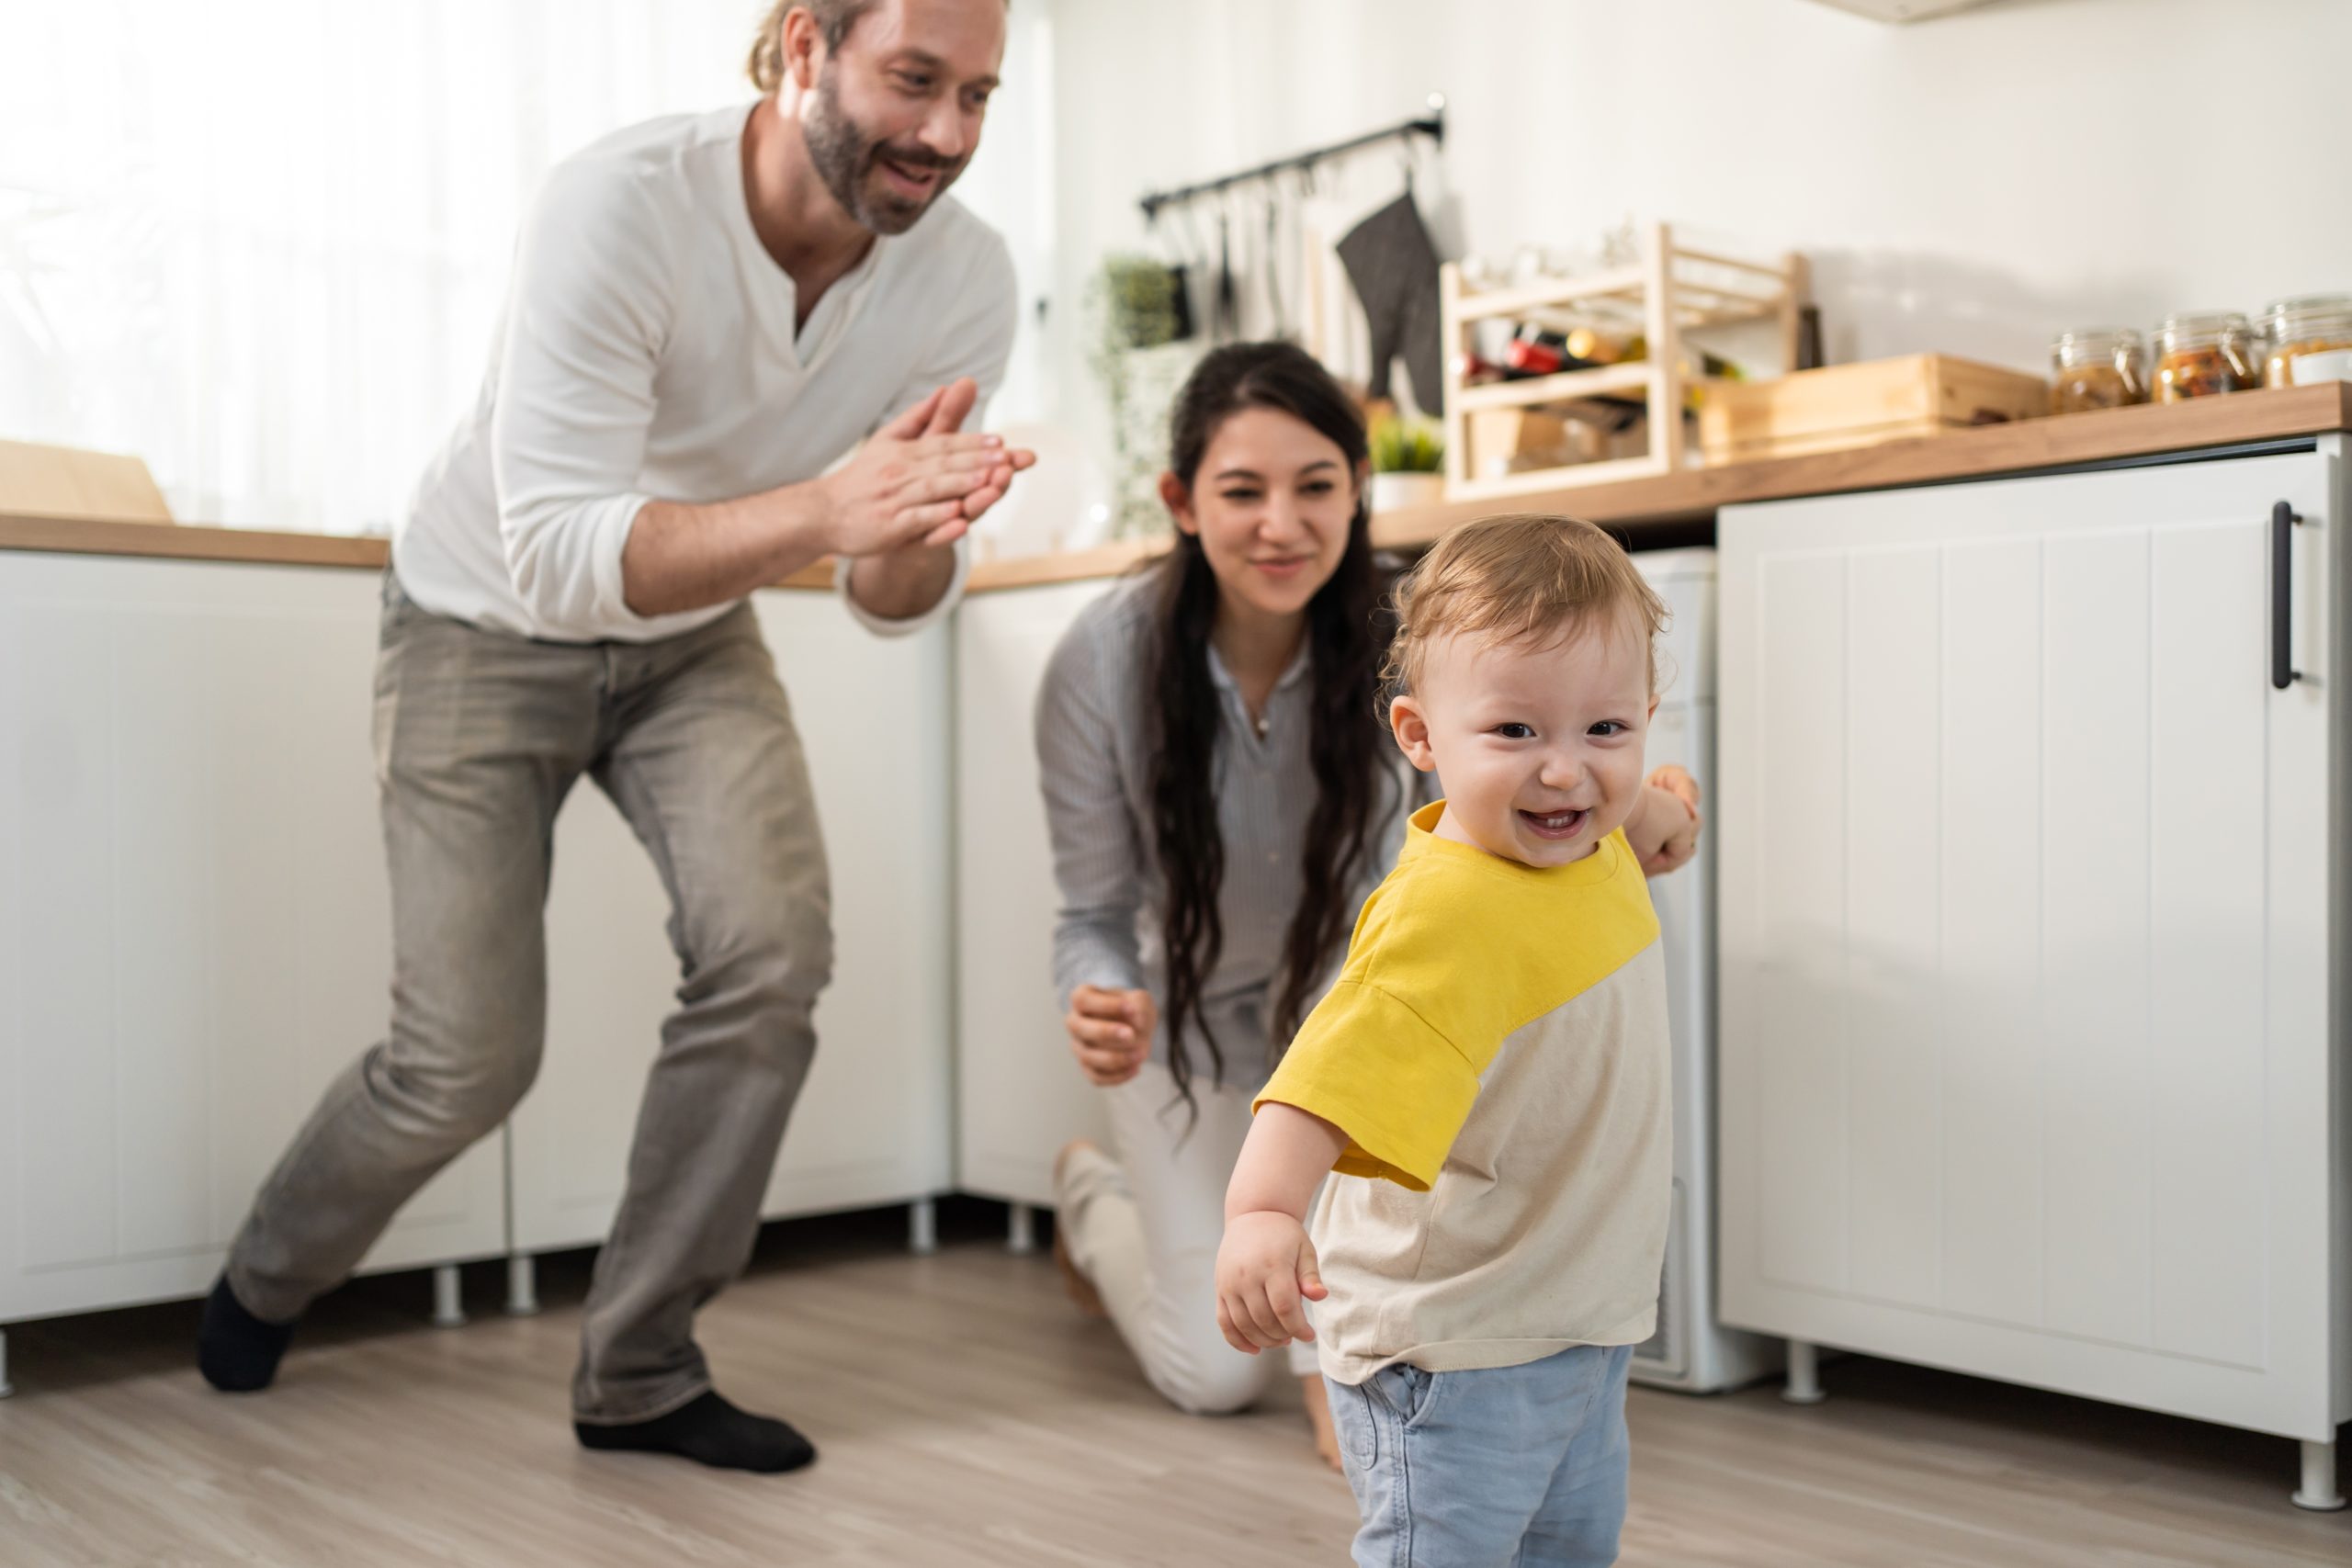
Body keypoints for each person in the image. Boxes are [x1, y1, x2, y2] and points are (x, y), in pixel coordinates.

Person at [195, 0, 1031, 1478]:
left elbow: (890, 595)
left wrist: (913, 528)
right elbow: (567, 557)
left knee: (772, 951)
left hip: (692, 636)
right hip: (479, 619)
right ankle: (266, 1274)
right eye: (915, 81)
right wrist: (831, 508)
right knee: (463, 1059)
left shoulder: (965, 278)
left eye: (979, 94)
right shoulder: (620, 203)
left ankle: (640, 1366)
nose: (949, 137)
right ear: (801, 46)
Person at [1038, 351, 1699, 1470]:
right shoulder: (1098, 665)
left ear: (1357, 488)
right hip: (1186, 1036)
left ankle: (1299, 1332)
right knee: (1213, 1370)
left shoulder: (1415, 632)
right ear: (1181, 502)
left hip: (1345, 1019)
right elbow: (1090, 911)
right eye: (1242, 490)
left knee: (1309, 1325)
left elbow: (1544, 747)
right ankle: (1093, 1206)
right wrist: (1097, 994)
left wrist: (1647, 799)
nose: (1281, 523)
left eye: (1316, 485)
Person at [1216, 513, 1679, 1563]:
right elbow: (1322, 1078)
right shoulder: (1446, 916)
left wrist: (1661, 811)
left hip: (1572, 1317)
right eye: (1515, 735)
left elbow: (1633, 810)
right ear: (1420, 738)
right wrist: (1261, 1212)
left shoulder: (1590, 840)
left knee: (1569, 1550)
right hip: (1451, 1343)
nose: (1565, 773)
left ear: (1642, 721)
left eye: (1604, 732)